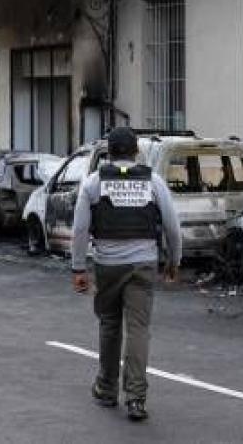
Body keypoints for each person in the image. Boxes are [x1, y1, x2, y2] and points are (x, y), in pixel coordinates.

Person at [71, 127, 182, 422]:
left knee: (109, 325)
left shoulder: (93, 183)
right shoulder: (153, 182)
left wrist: (78, 268)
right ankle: (136, 398)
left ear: (109, 153)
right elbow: (172, 227)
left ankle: (106, 389)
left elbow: (80, 230)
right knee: (138, 329)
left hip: (107, 264)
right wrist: (173, 261)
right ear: (136, 152)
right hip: (144, 264)